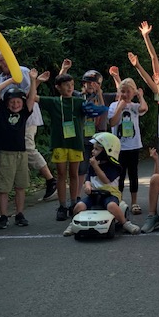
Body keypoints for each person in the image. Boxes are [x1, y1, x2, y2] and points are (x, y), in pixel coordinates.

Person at [38, 73, 106, 221]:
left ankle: (74, 202)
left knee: (74, 174)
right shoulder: (55, 101)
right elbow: (33, 98)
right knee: (61, 174)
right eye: (66, 85)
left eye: (72, 84)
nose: (70, 87)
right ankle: (62, 205)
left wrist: (99, 92)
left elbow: (100, 110)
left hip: (75, 143)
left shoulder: (79, 102)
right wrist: (35, 81)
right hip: (59, 143)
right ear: (58, 87)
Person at [0, 50, 57, 202]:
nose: (1, 65)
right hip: (10, 122)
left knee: (28, 147)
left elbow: (29, 94)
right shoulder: (2, 77)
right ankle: (12, 185)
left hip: (27, 118)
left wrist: (38, 81)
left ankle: (50, 180)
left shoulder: (21, 71)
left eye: (3, 60)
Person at [0, 69, 45, 229]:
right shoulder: (1, 111)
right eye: (12, 102)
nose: (15, 105)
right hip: (5, 153)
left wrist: (33, 80)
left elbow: (31, 97)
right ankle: (3, 215)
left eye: (18, 102)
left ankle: (20, 213)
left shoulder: (25, 113)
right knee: (4, 186)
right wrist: (12, 81)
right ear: (7, 103)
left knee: (20, 185)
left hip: (21, 153)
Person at [63, 132, 140, 236]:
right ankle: (72, 224)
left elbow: (105, 180)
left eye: (96, 149)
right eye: (93, 148)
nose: (93, 151)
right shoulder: (93, 164)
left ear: (107, 151)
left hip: (110, 194)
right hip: (94, 195)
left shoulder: (114, 167)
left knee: (112, 206)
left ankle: (125, 223)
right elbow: (88, 178)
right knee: (78, 206)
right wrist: (88, 186)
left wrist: (96, 166)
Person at [108, 77, 148, 215]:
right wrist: (120, 107)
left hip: (133, 146)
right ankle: (118, 200)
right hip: (118, 148)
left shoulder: (135, 107)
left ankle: (134, 202)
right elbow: (112, 123)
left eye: (128, 92)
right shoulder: (114, 106)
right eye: (122, 91)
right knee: (119, 174)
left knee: (133, 174)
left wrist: (140, 96)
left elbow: (144, 108)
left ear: (133, 92)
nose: (125, 94)